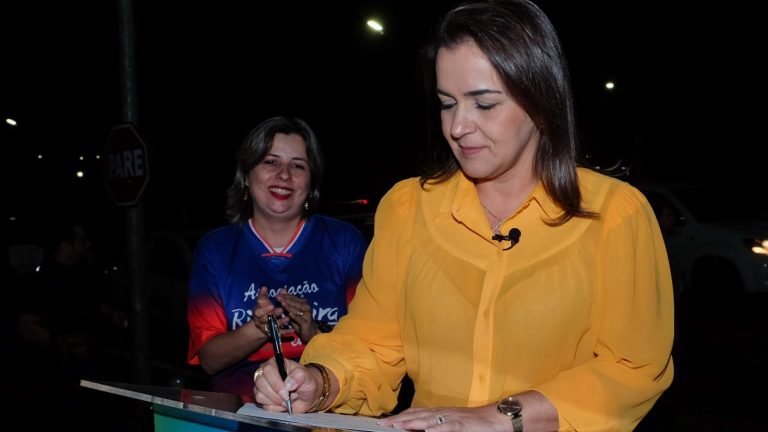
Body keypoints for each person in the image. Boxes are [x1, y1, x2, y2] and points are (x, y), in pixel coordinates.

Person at [252, 1, 674, 431]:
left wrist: (500, 418)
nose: (457, 126)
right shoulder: (408, 208)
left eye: (484, 104)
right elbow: (373, 342)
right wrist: (321, 382)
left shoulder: (614, 215)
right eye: (447, 104)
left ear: (540, 103)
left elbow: (633, 369)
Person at [186, 116, 368, 398]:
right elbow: (209, 359)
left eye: (298, 165)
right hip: (242, 411)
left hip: (327, 406)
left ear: (311, 182)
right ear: (246, 176)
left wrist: (312, 332)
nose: (284, 175)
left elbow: (369, 347)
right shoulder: (216, 250)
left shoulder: (344, 243)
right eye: (270, 162)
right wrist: (259, 329)